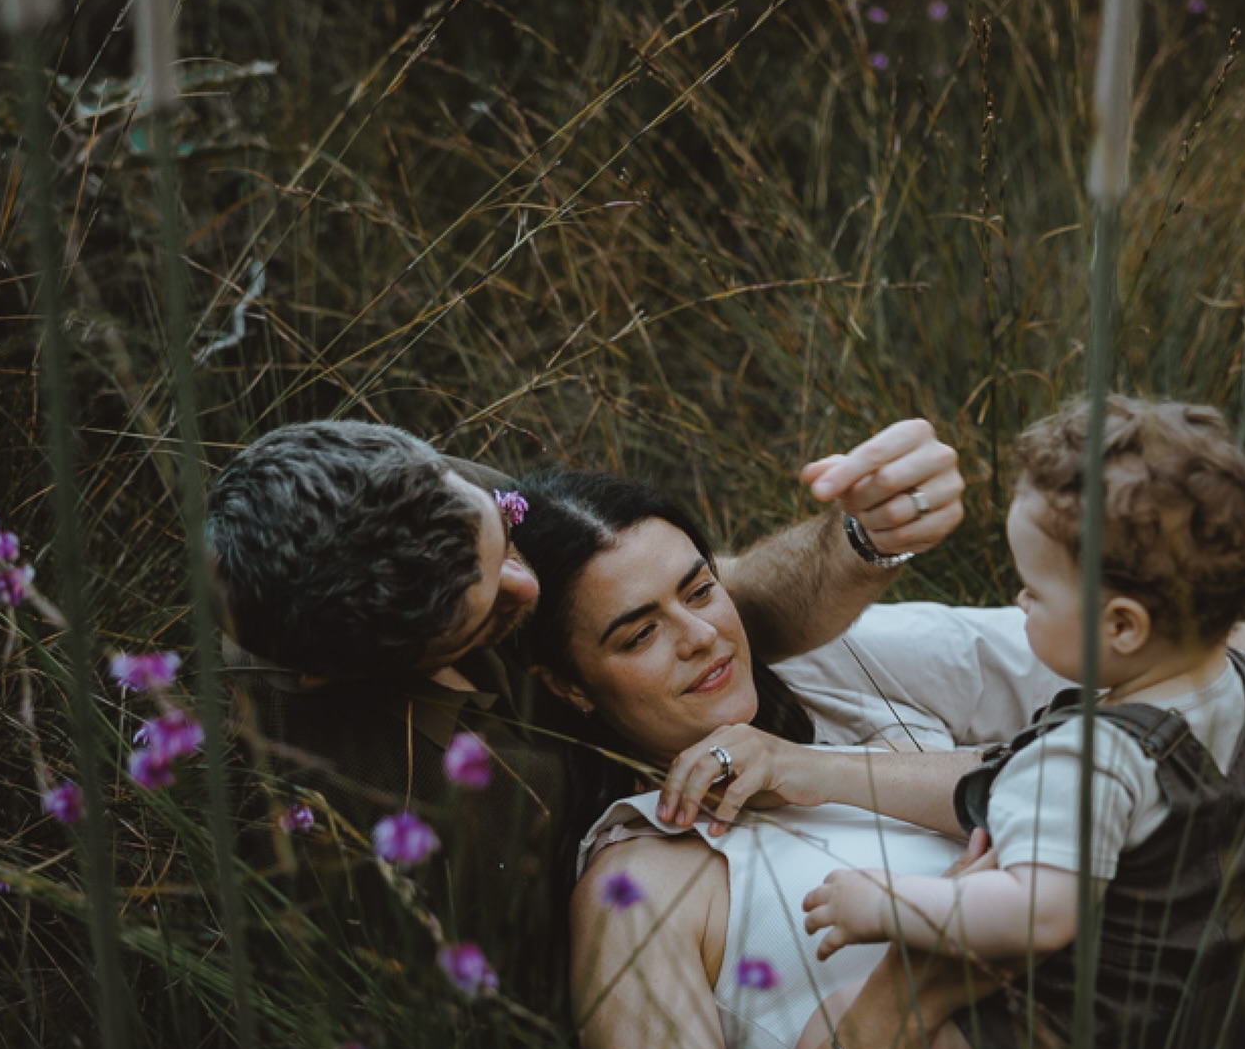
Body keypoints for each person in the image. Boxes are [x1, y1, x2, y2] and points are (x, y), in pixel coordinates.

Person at [512, 454, 1245, 1049]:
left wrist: (811, 772)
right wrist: (907, 994)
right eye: (638, 635)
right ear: (570, 686)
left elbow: (1109, 749)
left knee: (1234, 672)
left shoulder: (829, 685)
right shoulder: (639, 883)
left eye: (701, 590)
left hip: (1150, 1010)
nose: (700, 635)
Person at [205, 415, 964, 991]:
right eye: (487, 620)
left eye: (504, 534)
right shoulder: (399, 811)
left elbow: (724, 602)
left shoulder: (430, 500)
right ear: (350, 675)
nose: (527, 589)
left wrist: (862, 539)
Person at [801, 397, 1245, 1049]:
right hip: (1216, 959)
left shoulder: (1086, 762)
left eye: (1035, 589)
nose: (1018, 602)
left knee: (834, 1026)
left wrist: (881, 903)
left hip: (1091, 1023)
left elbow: (1037, 917)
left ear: (1121, 627)